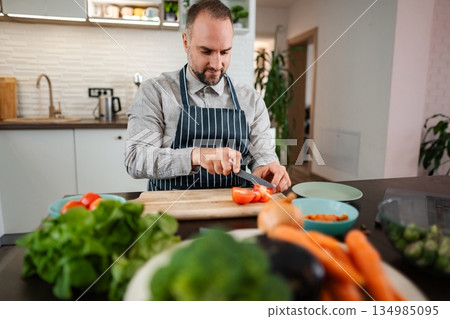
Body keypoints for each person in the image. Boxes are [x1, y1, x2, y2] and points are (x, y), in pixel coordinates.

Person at [125, 0, 291, 193]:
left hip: (234, 209)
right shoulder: (155, 92)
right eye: (206, 51)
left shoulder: (251, 99)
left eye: (225, 52)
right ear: (186, 42)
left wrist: (266, 167)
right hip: (168, 213)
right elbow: (136, 159)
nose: (217, 63)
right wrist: (197, 156)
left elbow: (262, 154)